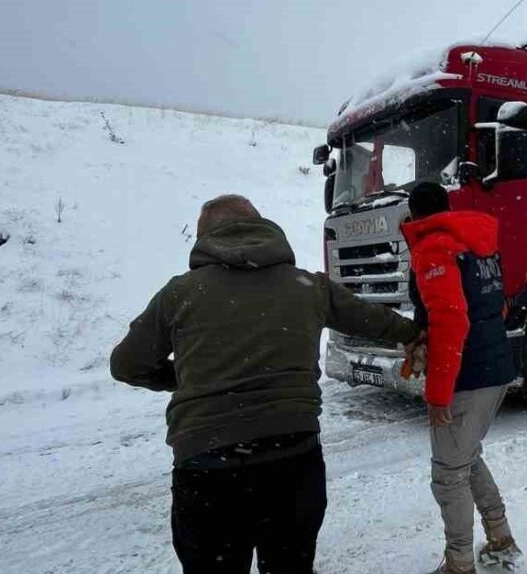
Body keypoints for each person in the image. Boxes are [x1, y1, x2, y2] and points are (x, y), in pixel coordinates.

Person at [110, 194, 422, 574]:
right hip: (292, 460)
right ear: (261, 226)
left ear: (205, 238)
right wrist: (417, 335)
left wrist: (178, 377)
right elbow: (376, 320)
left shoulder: (180, 293)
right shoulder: (308, 286)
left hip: (207, 469)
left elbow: (126, 364)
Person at [401, 182, 522, 574]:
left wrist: (439, 392)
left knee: (448, 474)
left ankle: (460, 564)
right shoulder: (479, 244)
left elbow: (451, 320)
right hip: (495, 366)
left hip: (467, 377)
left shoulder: (434, 247)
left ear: (415, 214)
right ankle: (500, 537)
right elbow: (496, 306)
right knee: (466, 459)